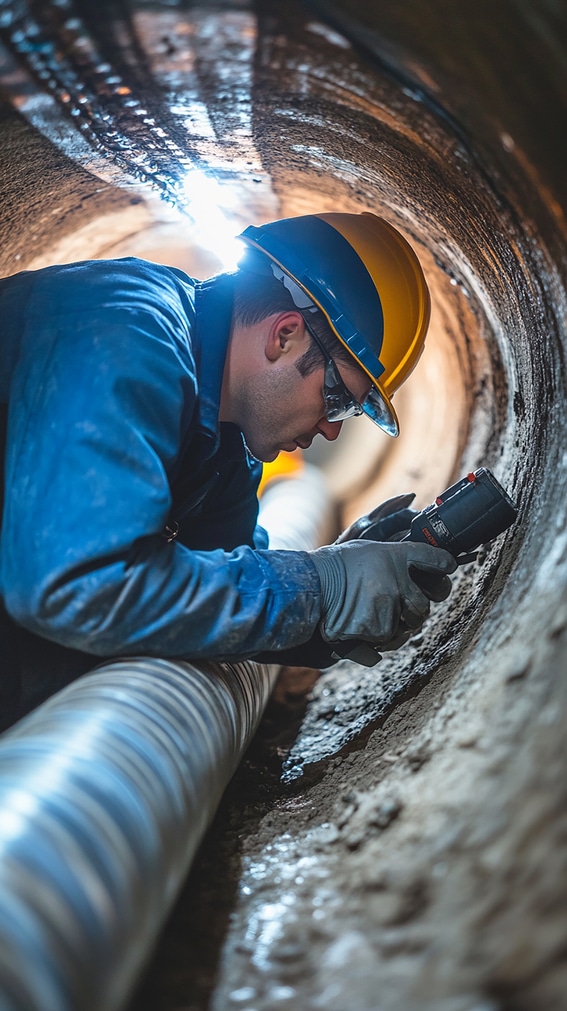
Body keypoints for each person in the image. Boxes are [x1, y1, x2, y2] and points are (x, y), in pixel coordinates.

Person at [0, 211, 456, 730]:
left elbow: (217, 574)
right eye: (339, 401)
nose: (332, 431)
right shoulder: (130, 337)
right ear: (285, 336)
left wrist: (345, 579)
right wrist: (320, 588)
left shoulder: (224, 435)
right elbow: (81, 584)